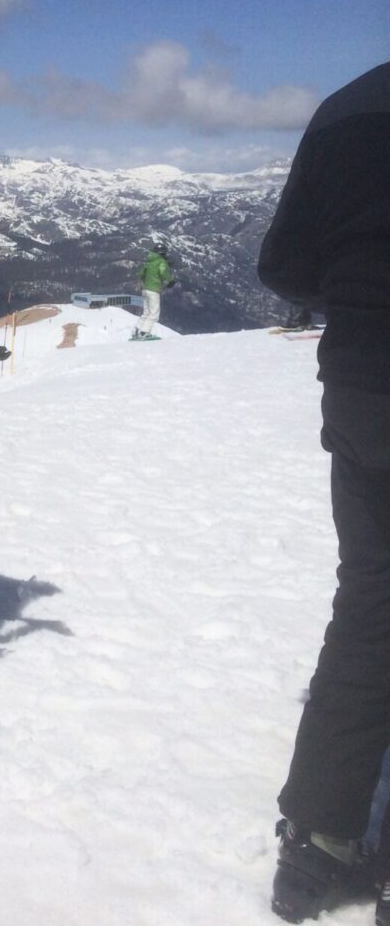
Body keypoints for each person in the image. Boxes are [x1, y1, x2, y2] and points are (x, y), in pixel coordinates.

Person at [258, 62, 390, 923]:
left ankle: (317, 846)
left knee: (372, 602)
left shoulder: (349, 107)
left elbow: (283, 263)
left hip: (364, 392)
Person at [132, 242, 176, 340]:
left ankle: (136, 332)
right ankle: (144, 333)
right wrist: (171, 280)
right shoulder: (161, 262)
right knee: (154, 314)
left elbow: (141, 273)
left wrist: (144, 283)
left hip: (145, 289)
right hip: (154, 290)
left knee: (146, 312)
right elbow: (163, 271)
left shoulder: (149, 261)